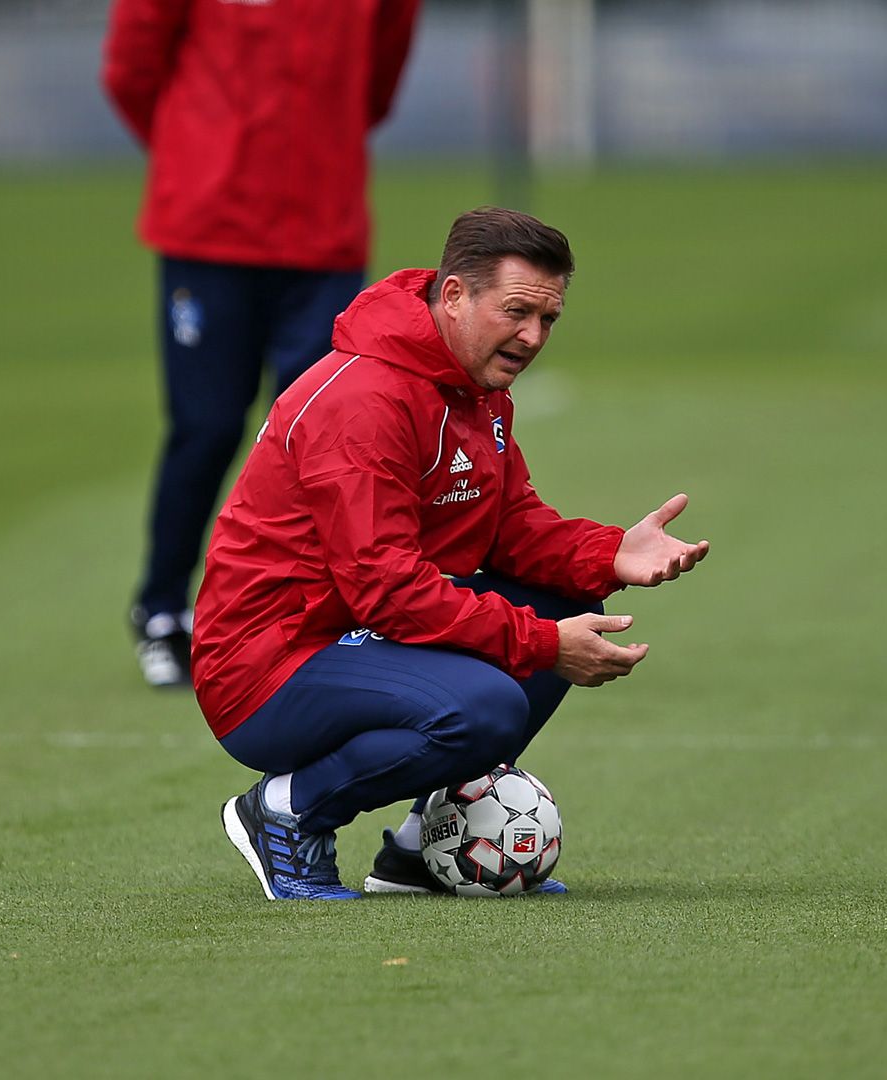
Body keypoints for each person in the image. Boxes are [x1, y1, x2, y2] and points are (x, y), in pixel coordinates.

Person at [196, 208, 709, 899]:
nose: (532, 337)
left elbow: (509, 528)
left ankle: (421, 851)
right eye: (518, 311)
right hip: (266, 665)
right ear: (456, 295)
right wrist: (539, 642)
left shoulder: (474, 387)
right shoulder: (365, 400)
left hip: (349, 635)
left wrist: (611, 553)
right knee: (489, 703)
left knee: (567, 603)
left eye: (548, 320)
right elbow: (386, 587)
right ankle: (286, 812)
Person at [101, 0, 422, 687]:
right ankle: (162, 607)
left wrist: (319, 142)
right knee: (207, 424)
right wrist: (196, 149)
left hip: (323, 229)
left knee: (323, 434)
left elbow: (379, 75)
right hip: (208, 227)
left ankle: (302, 618)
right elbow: (132, 69)